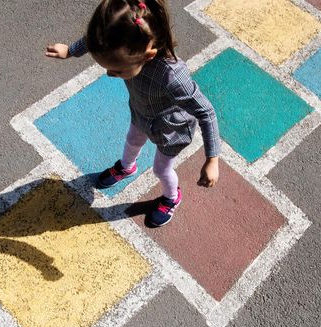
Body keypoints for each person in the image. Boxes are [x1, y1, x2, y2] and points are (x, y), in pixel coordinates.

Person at [45, 0, 221, 227]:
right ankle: (127, 167)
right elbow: (95, 40)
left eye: (117, 70)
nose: (109, 74)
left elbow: (206, 112)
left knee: (161, 168)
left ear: (147, 55)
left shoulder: (172, 77)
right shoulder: (117, 40)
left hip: (171, 129)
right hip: (141, 113)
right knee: (132, 141)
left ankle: (171, 197)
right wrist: (71, 50)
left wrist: (212, 159)